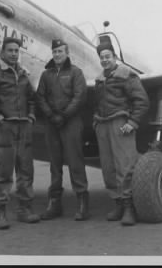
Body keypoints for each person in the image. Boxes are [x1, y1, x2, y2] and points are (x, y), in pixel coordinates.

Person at [0, 37, 40, 230]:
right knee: (3, 174)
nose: (14, 53)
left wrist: (30, 116)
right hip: (4, 130)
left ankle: (24, 210)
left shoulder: (23, 75)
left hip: (24, 129)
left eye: (16, 51)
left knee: (26, 173)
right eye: (10, 50)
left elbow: (32, 98)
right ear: (3, 52)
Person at [93, 41, 149, 226]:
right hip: (102, 124)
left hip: (120, 123)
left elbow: (142, 101)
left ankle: (129, 208)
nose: (104, 60)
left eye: (108, 56)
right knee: (108, 168)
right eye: (101, 57)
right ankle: (117, 204)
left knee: (125, 167)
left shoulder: (126, 74)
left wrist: (132, 122)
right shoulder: (100, 79)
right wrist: (96, 122)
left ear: (115, 57)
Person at [36, 39, 90, 221]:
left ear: (67, 53)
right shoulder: (46, 75)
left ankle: (83, 204)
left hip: (71, 122)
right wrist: (51, 116)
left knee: (75, 162)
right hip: (52, 123)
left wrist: (64, 116)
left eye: (60, 51)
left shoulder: (76, 73)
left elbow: (80, 96)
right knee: (55, 164)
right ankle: (54, 204)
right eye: (55, 52)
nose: (57, 55)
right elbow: (40, 97)